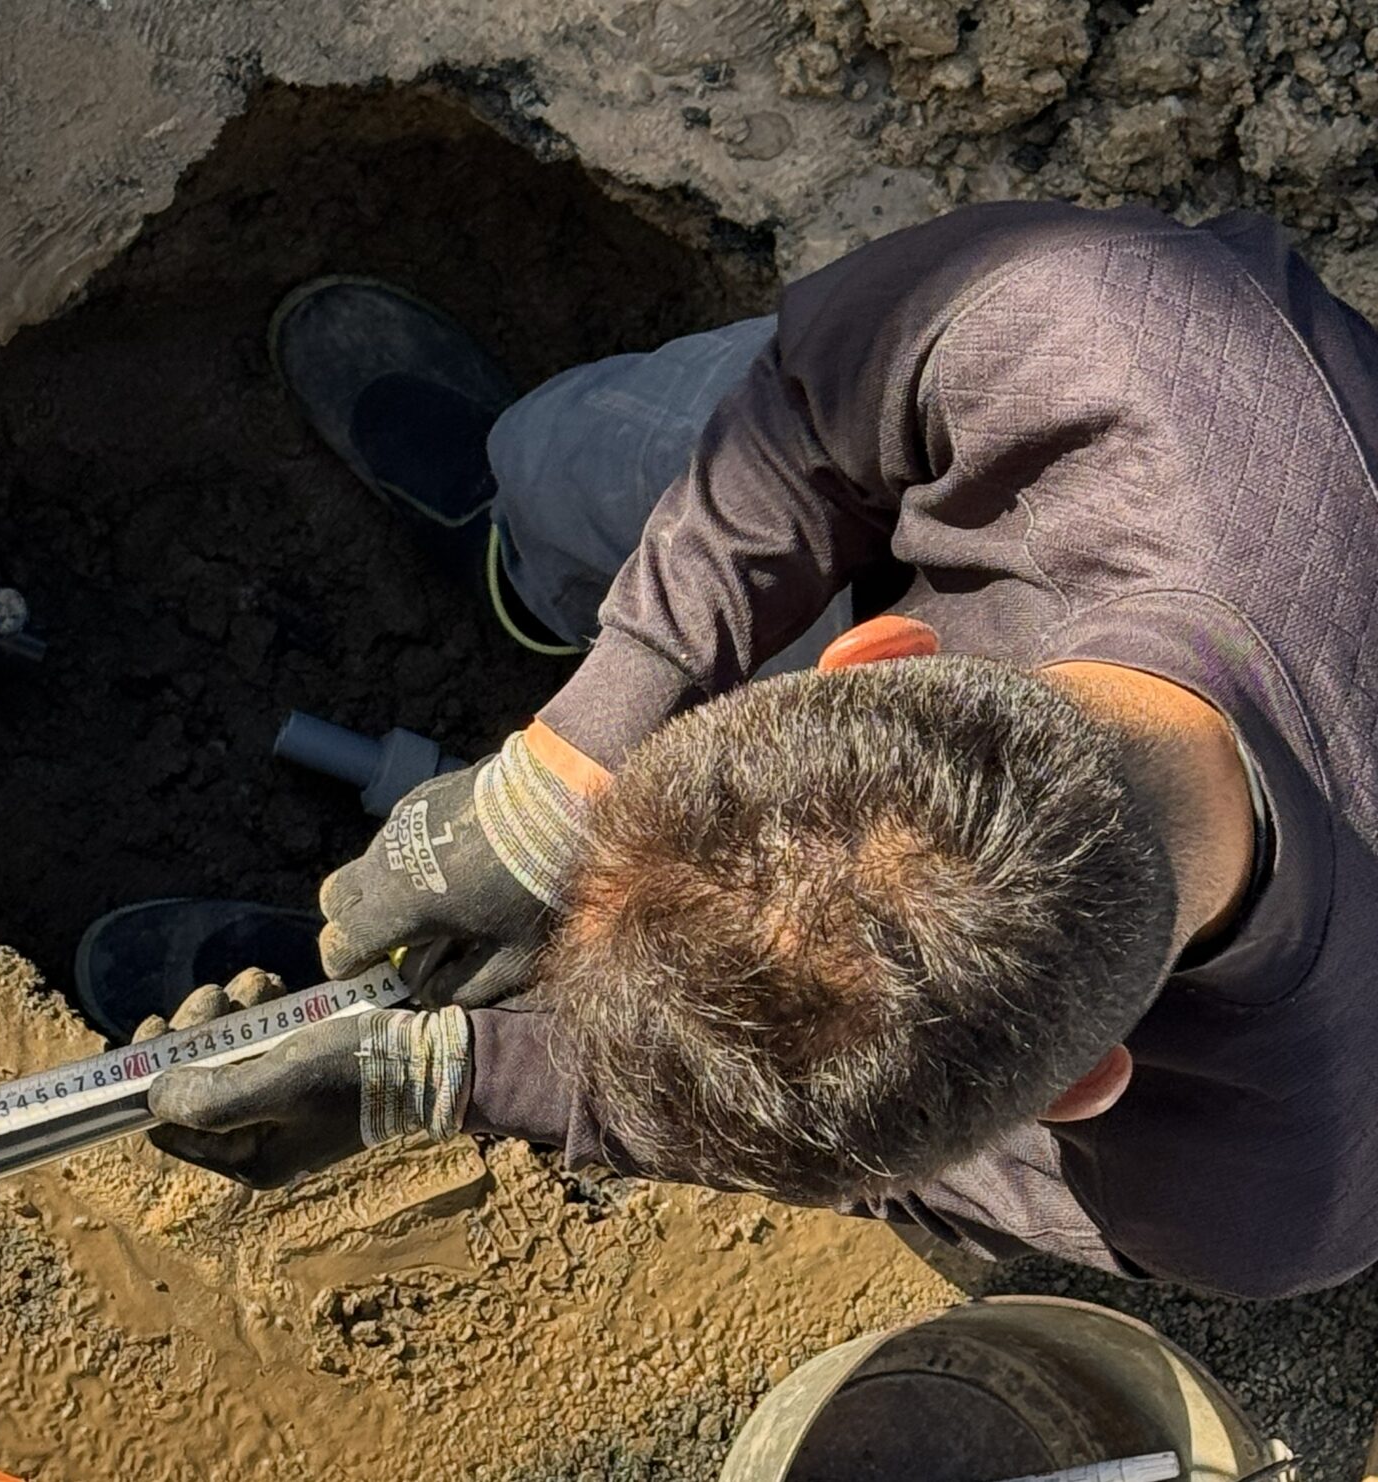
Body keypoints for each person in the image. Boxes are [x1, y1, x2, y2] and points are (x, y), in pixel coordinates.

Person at [105, 201, 1378, 1301]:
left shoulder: (1266, 1191)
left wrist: (454, 1069)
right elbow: (818, 407)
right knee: (571, 462)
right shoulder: (1114, 340)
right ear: (880, 659)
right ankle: (520, 551)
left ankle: (540, 570)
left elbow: (869, 1139)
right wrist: (568, 766)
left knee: (807, 1059)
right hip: (975, 485)